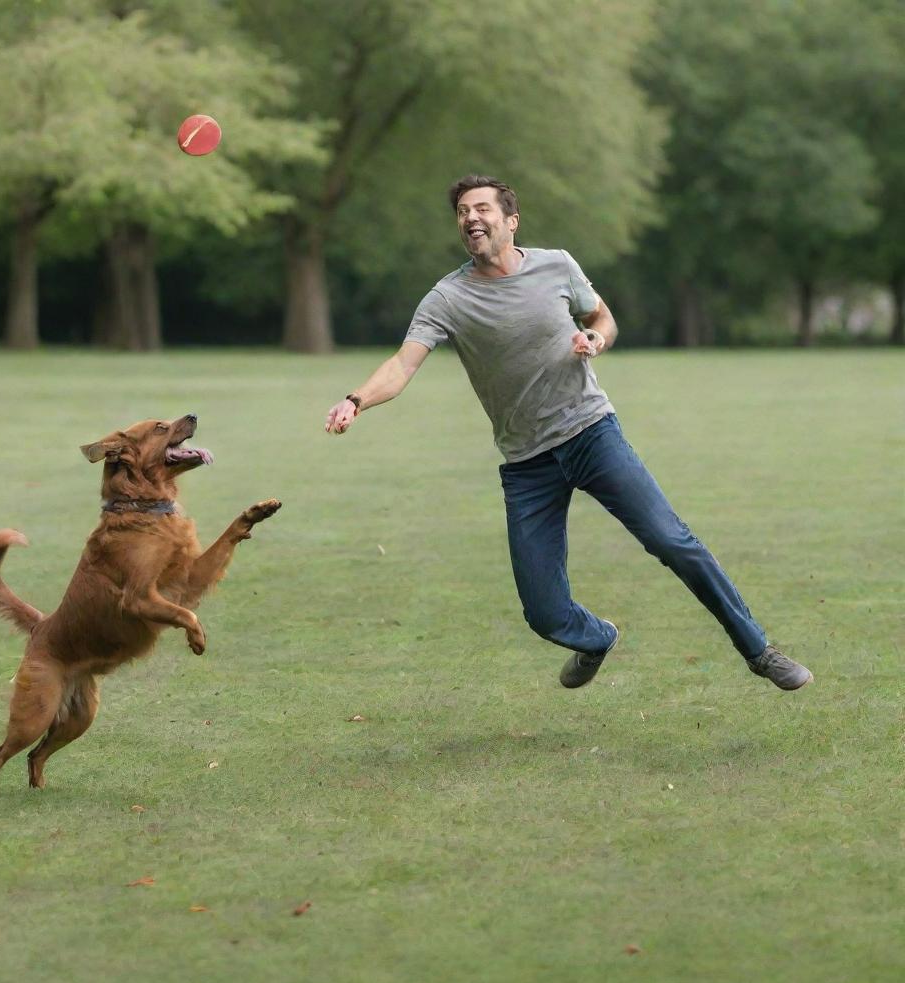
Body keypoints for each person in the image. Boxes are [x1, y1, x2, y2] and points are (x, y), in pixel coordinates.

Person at [324, 174, 812, 691]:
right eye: (464, 211)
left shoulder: (557, 263)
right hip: (528, 464)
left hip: (591, 434)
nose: (471, 217)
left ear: (511, 221)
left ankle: (759, 651)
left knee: (673, 541)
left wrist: (595, 338)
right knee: (544, 612)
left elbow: (602, 316)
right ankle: (597, 637)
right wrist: (356, 401)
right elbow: (403, 365)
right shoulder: (448, 298)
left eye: (483, 208)